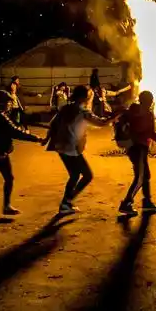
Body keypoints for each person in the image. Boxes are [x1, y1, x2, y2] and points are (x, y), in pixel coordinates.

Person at [0, 90, 44, 217]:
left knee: (4, 179)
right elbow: (15, 132)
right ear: (1, 103)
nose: (9, 105)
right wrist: (35, 138)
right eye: (7, 102)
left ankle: (5, 205)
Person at [45, 85, 111, 215]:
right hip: (71, 148)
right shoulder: (83, 112)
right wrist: (117, 115)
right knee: (87, 175)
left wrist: (46, 139)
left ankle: (66, 203)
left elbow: (53, 124)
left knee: (75, 175)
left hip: (61, 147)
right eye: (89, 96)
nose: (90, 97)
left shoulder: (66, 108)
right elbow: (102, 123)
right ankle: (66, 201)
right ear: (84, 97)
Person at [118, 91, 156, 216]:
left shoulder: (138, 113)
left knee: (146, 175)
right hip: (137, 148)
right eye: (149, 100)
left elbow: (150, 133)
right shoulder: (135, 113)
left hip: (139, 147)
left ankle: (147, 202)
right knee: (140, 177)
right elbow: (148, 132)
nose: (150, 103)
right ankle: (127, 203)